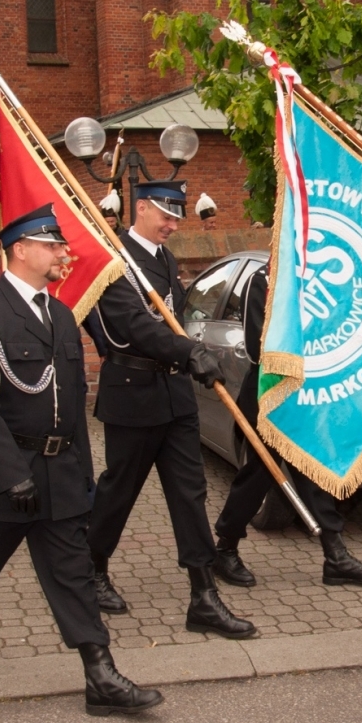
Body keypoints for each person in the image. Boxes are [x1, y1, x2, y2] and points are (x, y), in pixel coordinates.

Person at [0, 204, 162, 715]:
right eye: (52, 245)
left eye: (60, 245)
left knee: (72, 572)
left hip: (58, 472)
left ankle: (100, 674)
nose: (62, 253)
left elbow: (71, 402)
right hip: (2, 475)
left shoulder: (59, 314)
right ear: (20, 250)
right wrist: (11, 475)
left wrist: (82, 472)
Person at [86, 181, 253, 639]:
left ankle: (203, 597)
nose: (173, 225)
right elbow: (135, 326)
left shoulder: (164, 258)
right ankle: (92, 569)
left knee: (189, 493)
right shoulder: (115, 260)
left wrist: (189, 352)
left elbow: (174, 319)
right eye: (166, 216)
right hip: (133, 392)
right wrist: (190, 352)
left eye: (178, 217)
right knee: (120, 491)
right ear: (140, 208)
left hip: (174, 393)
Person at [212, 260, 362, 589]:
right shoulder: (262, 280)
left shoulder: (312, 282)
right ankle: (225, 547)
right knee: (258, 476)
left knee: (313, 471)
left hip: (305, 398)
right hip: (270, 395)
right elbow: (256, 348)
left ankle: (336, 556)